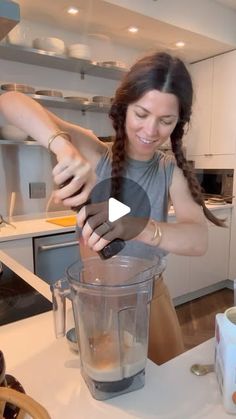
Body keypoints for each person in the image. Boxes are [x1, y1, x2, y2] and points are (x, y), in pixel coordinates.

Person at [0, 51, 224, 365]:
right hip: (94, 300)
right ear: (123, 109)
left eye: (166, 121)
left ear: (179, 122)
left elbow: (197, 240)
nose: (151, 130)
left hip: (150, 302)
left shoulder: (169, 172)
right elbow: (9, 101)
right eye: (141, 114)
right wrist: (62, 145)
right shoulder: (95, 152)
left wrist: (138, 225)